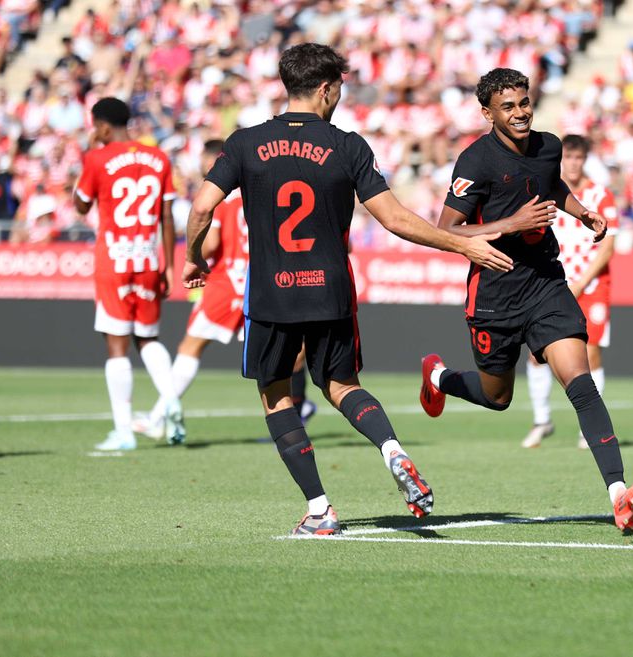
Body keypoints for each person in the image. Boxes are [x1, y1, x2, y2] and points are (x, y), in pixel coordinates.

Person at [182, 43, 513, 535]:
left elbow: (202, 208)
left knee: (276, 396)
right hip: (330, 289)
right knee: (342, 386)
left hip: (272, 292)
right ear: (325, 88)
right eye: (339, 88)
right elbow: (396, 219)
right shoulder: (347, 145)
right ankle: (391, 449)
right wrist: (462, 245)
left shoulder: (245, 142)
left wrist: (193, 256)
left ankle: (320, 509)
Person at [418, 69, 633, 531]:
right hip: (494, 292)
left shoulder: (549, 146)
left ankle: (619, 495)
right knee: (497, 396)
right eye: (508, 106)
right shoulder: (475, 161)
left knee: (581, 383)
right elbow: (446, 230)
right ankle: (439, 377)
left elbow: (551, 184)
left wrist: (581, 212)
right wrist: (511, 223)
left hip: (545, 283)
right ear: (487, 113)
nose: (520, 112)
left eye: (524, 102)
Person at [133, 139, 316, 439]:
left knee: (191, 347)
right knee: (287, 352)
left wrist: (193, 251)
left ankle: (158, 416)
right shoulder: (266, 191)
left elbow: (212, 243)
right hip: (263, 282)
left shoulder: (222, 196)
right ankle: (297, 410)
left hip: (228, 282)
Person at [74, 97, 185, 451]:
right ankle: (171, 400)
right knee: (147, 338)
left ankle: (123, 432)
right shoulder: (158, 157)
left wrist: (89, 153)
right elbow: (167, 216)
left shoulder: (98, 158)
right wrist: (169, 265)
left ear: (103, 127)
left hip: (114, 261)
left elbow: (81, 205)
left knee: (117, 345)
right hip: (149, 260)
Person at [521, 134, 618, 450]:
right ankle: (541, 421)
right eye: (569, 158)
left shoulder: (600, 195)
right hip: (552, 283)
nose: (574, 164)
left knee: (590, 353)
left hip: (591, 285)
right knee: (537, 352)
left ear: (585, 160)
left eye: (579, 158)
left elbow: (607, 249)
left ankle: (590, 428)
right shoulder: (550, 192)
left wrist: (580, 283)